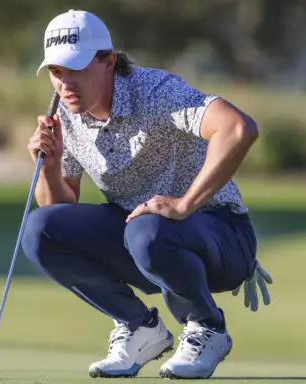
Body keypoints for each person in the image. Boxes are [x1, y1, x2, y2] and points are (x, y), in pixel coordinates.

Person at [21, 9, 273, 380]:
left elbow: (239, 128)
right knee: (39, 228)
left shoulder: (156, 91)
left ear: (108, 61)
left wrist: (185, 204)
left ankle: (207, 328)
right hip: (140, 238)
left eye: (75, 69)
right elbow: (60, 212)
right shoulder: (67, 113)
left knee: (147, 229)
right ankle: (139, 327)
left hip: (220, 236)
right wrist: (50, 165)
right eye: (57, 72)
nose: (65, 83)